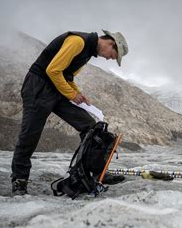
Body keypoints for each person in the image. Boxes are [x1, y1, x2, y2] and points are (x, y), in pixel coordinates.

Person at [11, 30, 129, 194]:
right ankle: (19, 180)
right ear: (111, 43)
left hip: (56, 89)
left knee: (91, 127)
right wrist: (72, 94)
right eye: (113, 55)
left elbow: (67, 76)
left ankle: (94, 173)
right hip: (38, 86)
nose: (110, 58)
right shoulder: (78, 42)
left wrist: (78, 94)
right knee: (30, 134)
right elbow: (52, 70)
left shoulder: (87, 52)